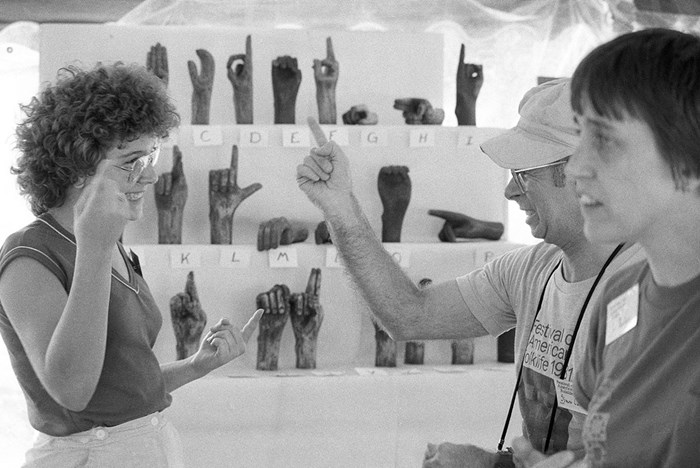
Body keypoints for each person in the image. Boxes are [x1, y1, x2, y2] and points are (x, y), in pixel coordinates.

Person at [297, 78, 645, 465]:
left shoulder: (652, 293)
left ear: (582, 172)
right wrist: (340, 207)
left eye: (524, 174)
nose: (510, 192)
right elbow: (408, 314)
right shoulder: (530, 270)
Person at [0, 62, 263, 467]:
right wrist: (96, 248)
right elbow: (72, 391)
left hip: (144, 445)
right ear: (77, 166)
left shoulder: (114, 247)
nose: (152, 175)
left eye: (151, 154)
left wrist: (196, 365)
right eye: (132, 161)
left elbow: (121, 388)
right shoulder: (30, 255)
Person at [512, 28, 700, 467]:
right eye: (579, 137)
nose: (576, 167)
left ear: (689, 162)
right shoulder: (619, 300)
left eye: (605, 140)